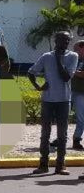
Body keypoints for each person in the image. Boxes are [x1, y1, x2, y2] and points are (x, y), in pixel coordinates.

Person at [29, 31, 77, 175]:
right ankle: (43, 164)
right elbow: (31, 72)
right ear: (56, 41)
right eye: (63, 40)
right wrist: (38, 86)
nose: (66, 42)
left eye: (68, 40)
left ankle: (60, 165)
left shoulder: (73, 56)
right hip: (48, 101)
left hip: (64, 100)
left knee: (62, 135)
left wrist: (58, 58)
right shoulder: (46, 56)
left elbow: (66, 77)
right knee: (45, 133)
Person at [72, 37, 84, 151]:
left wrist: (71, 71)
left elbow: (82, 74)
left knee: (81, 117)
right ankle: (60, 139)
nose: (74, 51)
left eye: (76, 49)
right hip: (73, 91)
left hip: (81, 93)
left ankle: (76, 139)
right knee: (62, 116)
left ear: (82, 48)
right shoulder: (76, 59)